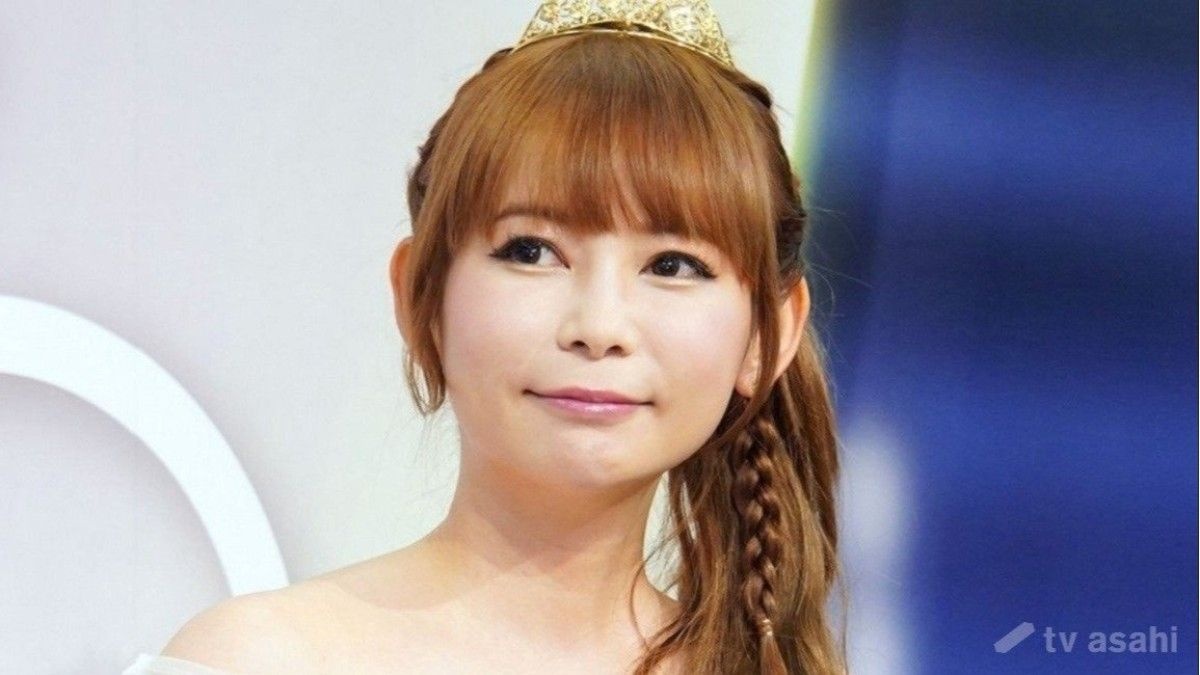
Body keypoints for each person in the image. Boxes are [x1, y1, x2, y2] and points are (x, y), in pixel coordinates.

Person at [124, 1, 846, 673]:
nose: (598, 328)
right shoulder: (254, 658)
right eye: (532, 251)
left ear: (770, 332)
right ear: (421, 295)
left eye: (673, 265)